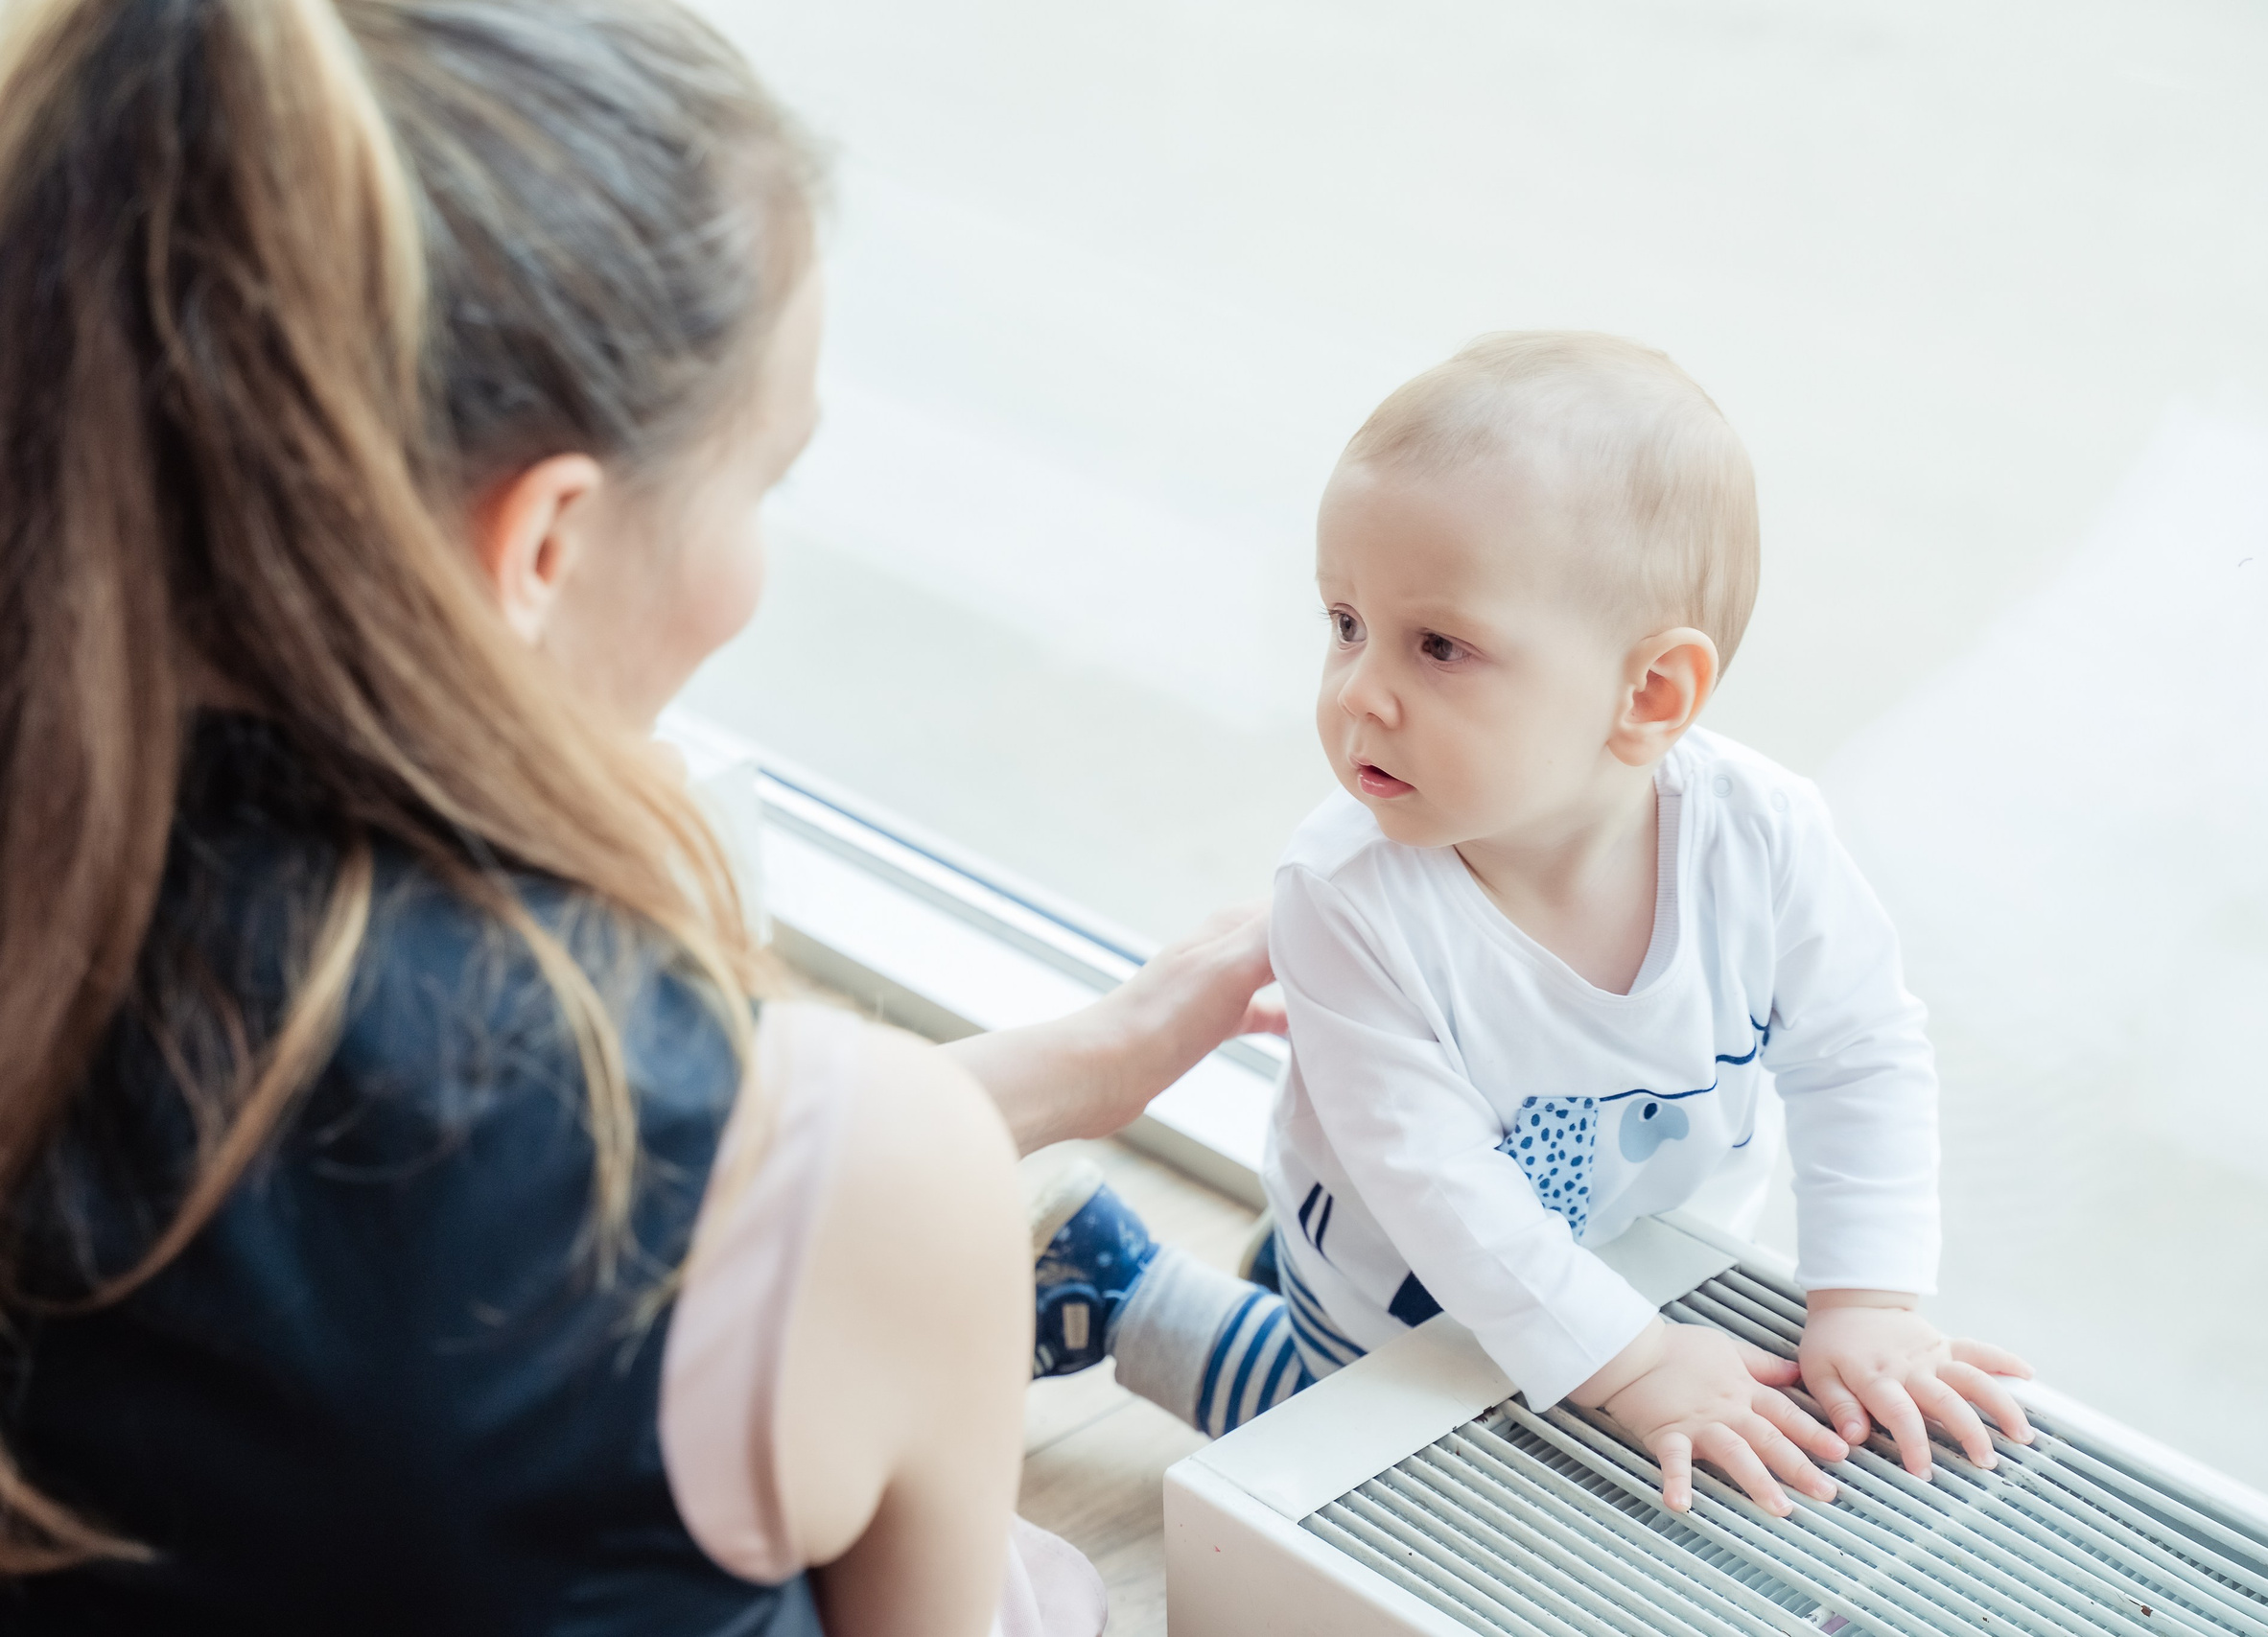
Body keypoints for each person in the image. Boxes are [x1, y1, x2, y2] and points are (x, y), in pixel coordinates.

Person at [0, 2, 1276, 1633]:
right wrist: (935, 1149)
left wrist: (1069, 1070)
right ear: (542, 542)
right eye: (763, 482)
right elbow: (717, 1232)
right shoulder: (865, 1180)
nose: (751, 564)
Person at [1030, 333, 2038, 1519]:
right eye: (1344, 623)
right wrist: (1639, 1366)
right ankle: (1116, 1287)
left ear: (1648, 694)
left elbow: (1859, 1051)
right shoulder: (1346, 895)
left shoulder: (1763, 838)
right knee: (1353, 1450)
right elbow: (1441, 1193)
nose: (1358, 688)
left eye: (1438, 645)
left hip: (1642, 1259)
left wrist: (1865, 1297)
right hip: (1397, 1287)